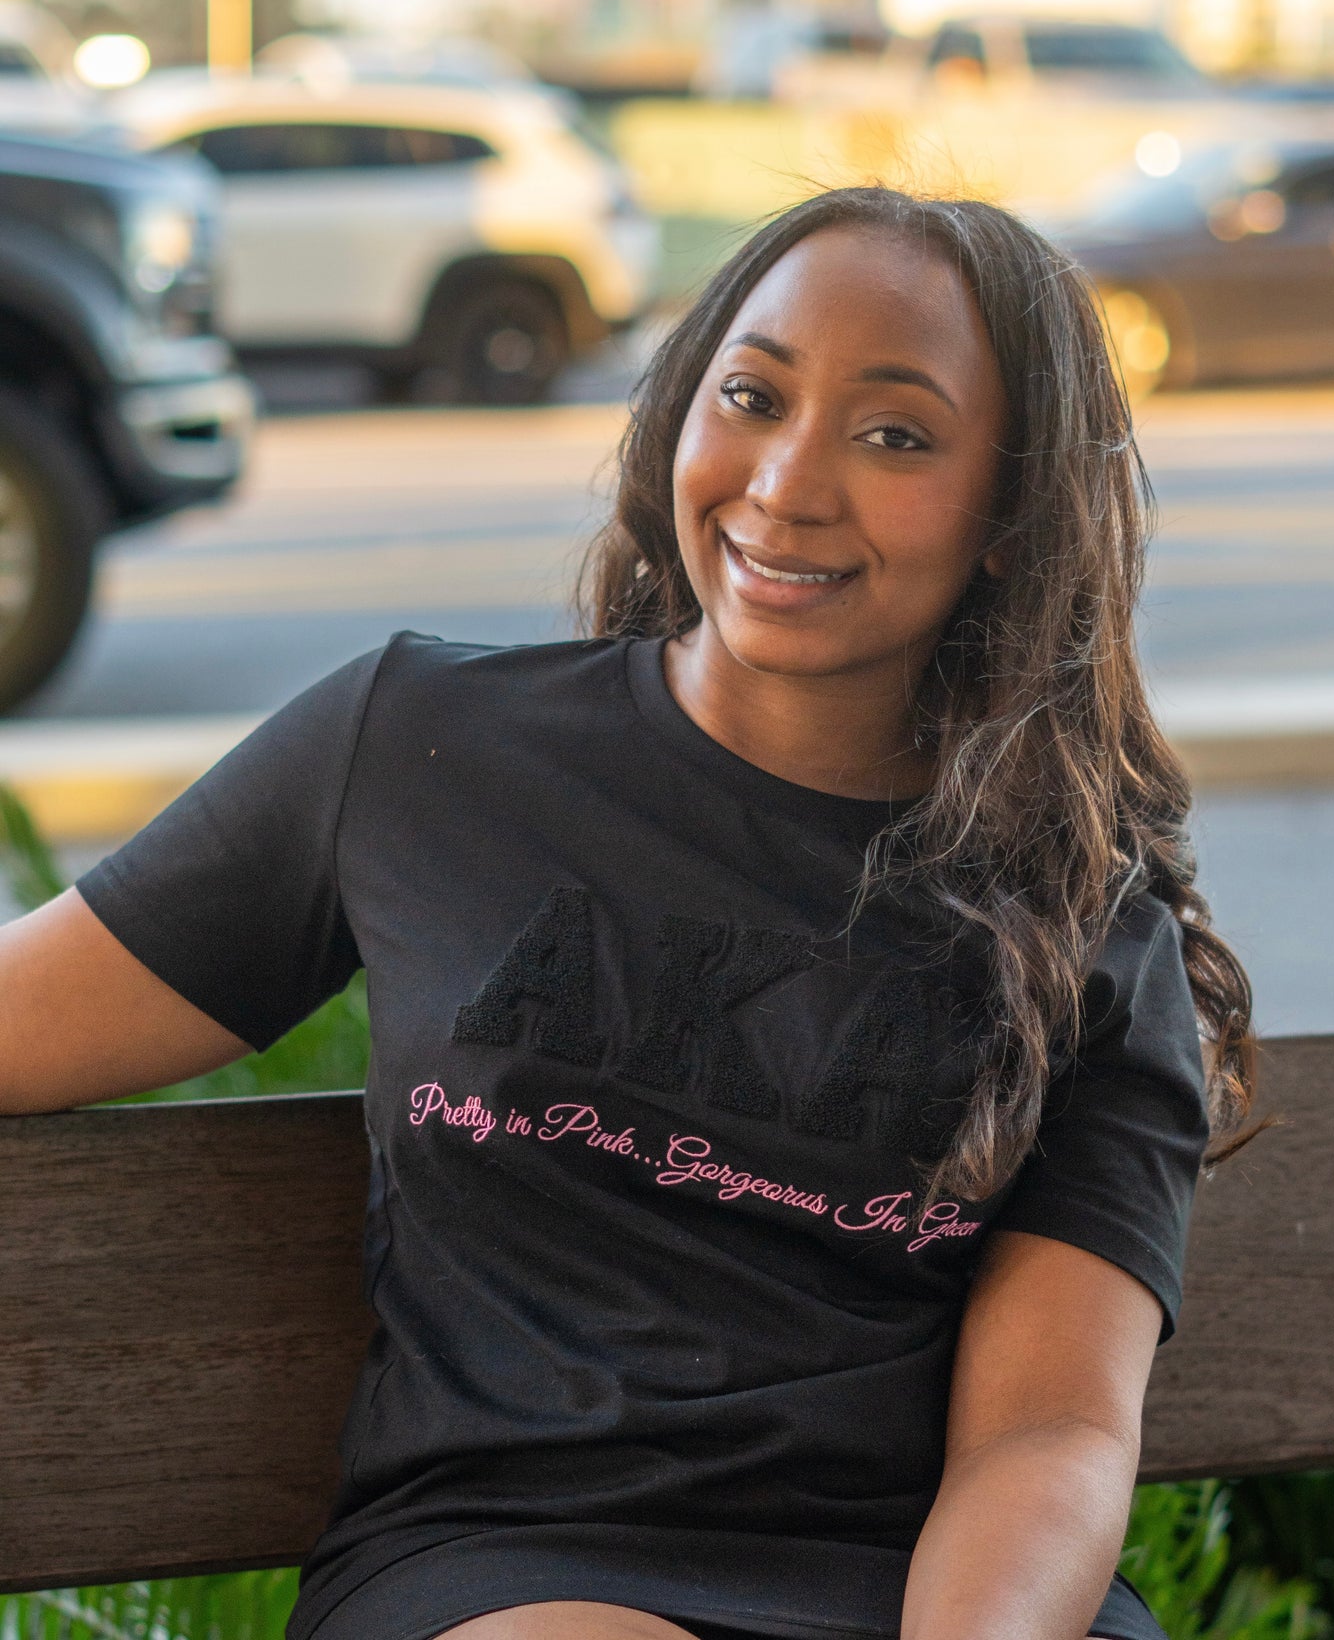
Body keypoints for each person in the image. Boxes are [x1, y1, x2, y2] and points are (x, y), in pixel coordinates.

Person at [0, 186, 1256, 1640]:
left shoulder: (1077, 929)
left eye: (896, 436)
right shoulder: (423, 751)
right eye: (753, 396)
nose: (787, 482)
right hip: (514, 1564)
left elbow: (1048, 1432)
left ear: (1009, 515)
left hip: (944, 1593)